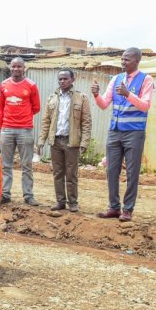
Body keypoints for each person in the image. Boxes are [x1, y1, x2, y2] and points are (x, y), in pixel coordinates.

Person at [91, 47, 154, 222]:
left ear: (136, 61)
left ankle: (128, 210)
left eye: (127, 59)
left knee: (132, 172)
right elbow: (104, 104)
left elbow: (145, 106)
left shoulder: (146, 80)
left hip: (134, 131)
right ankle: (113, 207)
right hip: (115, 131)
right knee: (112, 170)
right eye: (122, 59)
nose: (123, 62)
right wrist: (96, 95)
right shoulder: (116, 79)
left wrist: (128, 94)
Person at [38, 69, 92, 212]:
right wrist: (41, 140)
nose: (62, 81)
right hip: (55, 141)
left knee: (72, 174)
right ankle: (60, 201)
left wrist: (84, 142)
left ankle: (73, 202)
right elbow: (46, 121)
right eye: (60, 79)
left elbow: (86, 122)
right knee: (57, 173)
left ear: (72, 80)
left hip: (71, 141)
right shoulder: (52, 98)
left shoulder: (81, 98)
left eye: (65, 79)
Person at [0, 57, 41, 206]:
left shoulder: (31, 86)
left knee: (26, 165)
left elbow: (36, 107)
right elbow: (1, 108)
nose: (16, 69)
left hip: (25, 130)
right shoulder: (3, 85)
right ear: (10, 67)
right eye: (13, 66)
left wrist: (23, 117)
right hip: (7, 129)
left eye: (19, 67)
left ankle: (28, 195)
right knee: (5, 164)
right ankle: (5, 194)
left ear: (24, 68)